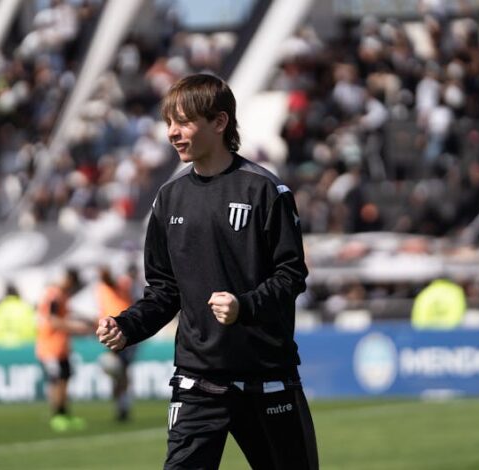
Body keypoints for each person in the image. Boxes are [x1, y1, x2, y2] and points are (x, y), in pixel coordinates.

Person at [96, 74, 319, 469]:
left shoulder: (265, 191)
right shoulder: (168, 199)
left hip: (267, 379)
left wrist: (244, 306)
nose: (172, 133)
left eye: (183, 122)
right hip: (197, 383)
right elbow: (164, 292)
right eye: (168, 123)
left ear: (219, 123)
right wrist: (127, 326)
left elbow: (291, 275)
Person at [36, 268, 91, 432]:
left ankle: (65, 414)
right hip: (50, 347)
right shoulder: (54, 295)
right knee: (57, 381)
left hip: (60, 347)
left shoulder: (60, 295)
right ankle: (57, 416)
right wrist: (76, 327)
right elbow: (52, 320)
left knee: (64, 379)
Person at [94, 265, 137, 421]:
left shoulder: (123, 284)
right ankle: (121, 403)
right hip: (111, 329)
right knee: (119, 369)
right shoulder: (109, 286)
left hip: (122, 330)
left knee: (121, 369)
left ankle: (122, 404)